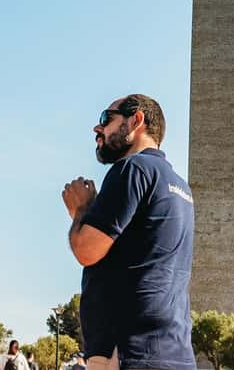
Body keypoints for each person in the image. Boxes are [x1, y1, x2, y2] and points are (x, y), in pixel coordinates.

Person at [62, 94, 195, 370]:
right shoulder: (180, 186)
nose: (97, 128)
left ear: (136, 120)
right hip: (175, 352)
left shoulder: (133, 168)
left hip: (127, 351)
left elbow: (87, 249)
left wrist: (81, 210)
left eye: (106, 119)